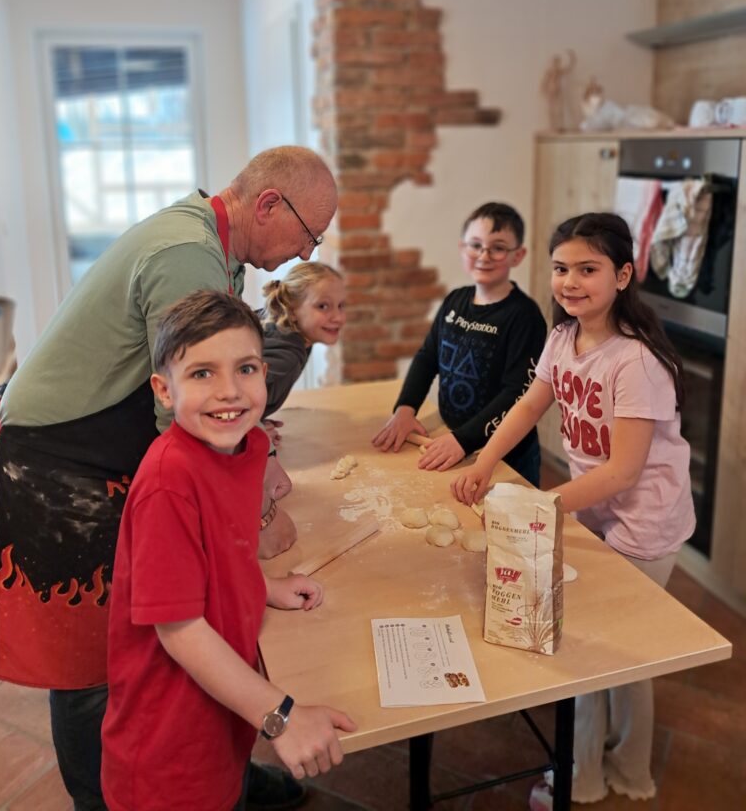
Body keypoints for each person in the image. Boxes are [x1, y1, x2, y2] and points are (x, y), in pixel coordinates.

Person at [0, 145, 337, 811]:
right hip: (62, 461)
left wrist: (252, 566)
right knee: (88, 664)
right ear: (268, 204)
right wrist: (259, 510)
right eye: (308, 235)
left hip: (101, 452)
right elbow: (185, 422)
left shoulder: (217, 248)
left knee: (153, 624)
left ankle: (228, 773)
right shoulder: (186, 253)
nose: (304, 252)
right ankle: (102, 798)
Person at [452, 212, 695, 808]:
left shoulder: (634, 361)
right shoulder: (563, 337)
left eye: (588, 269)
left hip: (644, 520)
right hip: (598, 509)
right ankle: (625, 765)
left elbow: (624, 471)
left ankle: (585, 778)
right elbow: (529, 405)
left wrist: (542, 505)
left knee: (596, 649)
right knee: (624, 650)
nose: (570, 282)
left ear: (623, 275)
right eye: (561, 268)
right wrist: (484, 460)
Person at [101, 290, 356, 811]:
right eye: (202, 373)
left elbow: (222, 552)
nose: (229, 391)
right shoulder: (168, 483)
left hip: (221, 718)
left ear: (265, 372)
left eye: (245, 369)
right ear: (164, 390)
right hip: (168, 752)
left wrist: (264, 586)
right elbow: (180, 631)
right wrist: (281, 717)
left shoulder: (248, 446)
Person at [372, 202, 547, 485]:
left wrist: (464, 439)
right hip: (453, 438)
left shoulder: (524, 316)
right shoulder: (455, 300)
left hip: (507, 453)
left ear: (518, 255)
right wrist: (405, 408)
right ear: (462, 248)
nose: (484, 255)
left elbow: (517, 393)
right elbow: (427, 357)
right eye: (475, 245)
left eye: (498, 247)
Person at [259, 262, 346, 422]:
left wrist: (255, 423)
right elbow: (230, 395)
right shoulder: (286, 353)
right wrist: (251, 429)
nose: (338, 317)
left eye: (341, 306)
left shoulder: (294, 340)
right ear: (292, 310)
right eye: (323, 306)